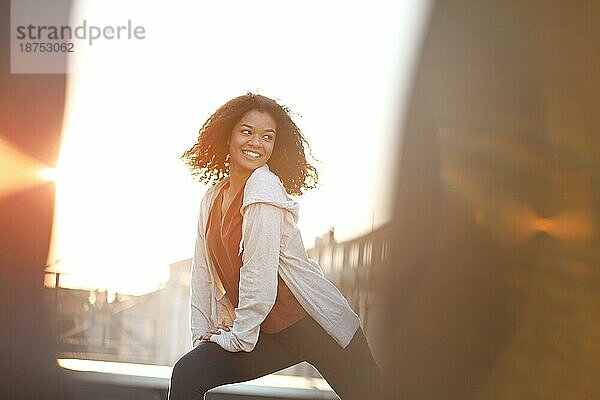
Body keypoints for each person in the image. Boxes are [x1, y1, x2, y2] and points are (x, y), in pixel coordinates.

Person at [168, 93, 383, 399]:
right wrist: (203, 336)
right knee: (189, 372)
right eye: (247, 131)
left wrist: (237, 338)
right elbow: (201, 273)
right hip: (269, 332)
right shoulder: (212, 199)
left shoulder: (263, 189)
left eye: (267, 137)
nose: (256, 142)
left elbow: (259, 278)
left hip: (314, 326)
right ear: (227, 135)